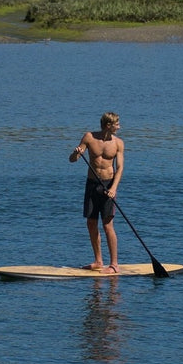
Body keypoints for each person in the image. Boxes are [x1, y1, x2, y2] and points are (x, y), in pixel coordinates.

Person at [69, 111, 124, 273]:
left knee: (108, 225)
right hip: (92, 185)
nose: (119, 127)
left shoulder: (118, 143)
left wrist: (114, 188)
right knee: (91, 223)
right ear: (108, 125)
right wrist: (76, 153)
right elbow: (72, 160)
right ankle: (98, 261)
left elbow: (120, 168)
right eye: (117, 124)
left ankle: (114, 264)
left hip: (108, 186)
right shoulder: (89, 137)